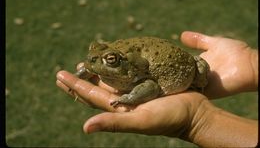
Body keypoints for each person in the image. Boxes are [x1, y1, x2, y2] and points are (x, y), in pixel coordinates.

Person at [56, 31, 258, 147]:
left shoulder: (136, 72)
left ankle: (198, 84)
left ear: (127, 65)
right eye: (95, 53)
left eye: (110, 60)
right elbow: (91, 63)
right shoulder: (122, 63)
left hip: (182, 66)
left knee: (200, 66)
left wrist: (129, 98)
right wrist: (251, 62)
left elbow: (151, 86)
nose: (92, 60)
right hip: (147, 58)